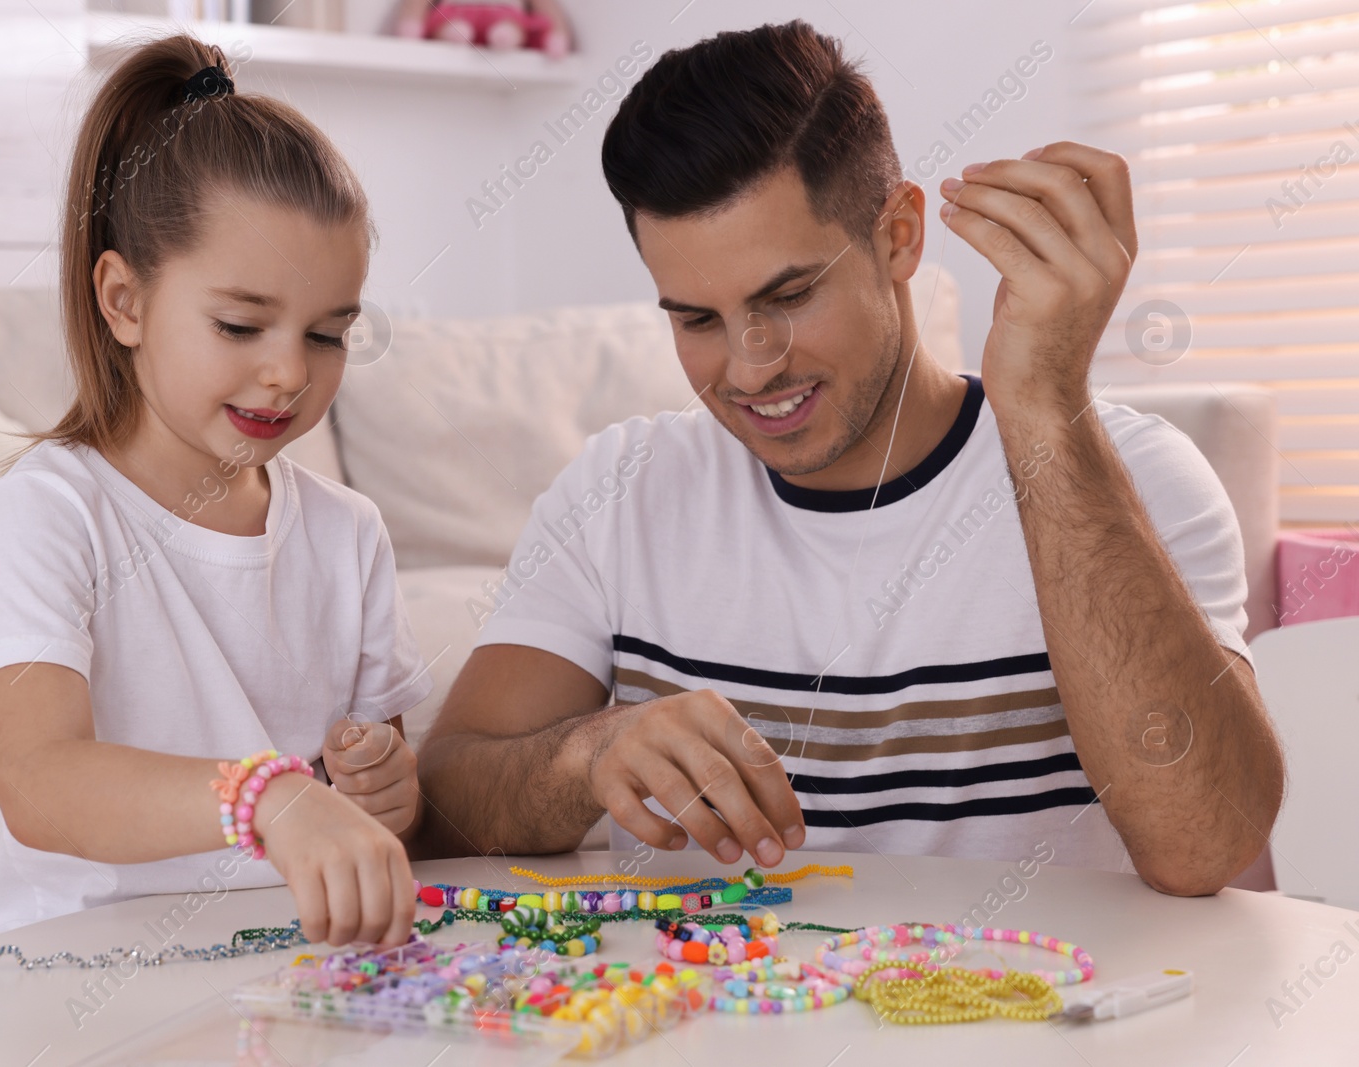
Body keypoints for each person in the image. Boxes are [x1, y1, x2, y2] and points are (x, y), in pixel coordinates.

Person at [417, 21, 1284, 897]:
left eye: (789, 295)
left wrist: (1048, 410)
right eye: (696, 320)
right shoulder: (618, 493)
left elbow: (1205, 847)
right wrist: (585, 751)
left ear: (900, 235)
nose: (752, 366)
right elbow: (442, 818)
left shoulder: (1135, 477)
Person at [0, 36, 427, 946]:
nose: (286, 372)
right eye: (240, 324)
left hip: (292, 971)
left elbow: (376, 813)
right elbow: (40, 783)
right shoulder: (48, 514)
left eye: (328, 334)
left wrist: (384, 788)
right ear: (124, 301)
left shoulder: (349, 535)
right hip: (80, 982)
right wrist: (269, 796)